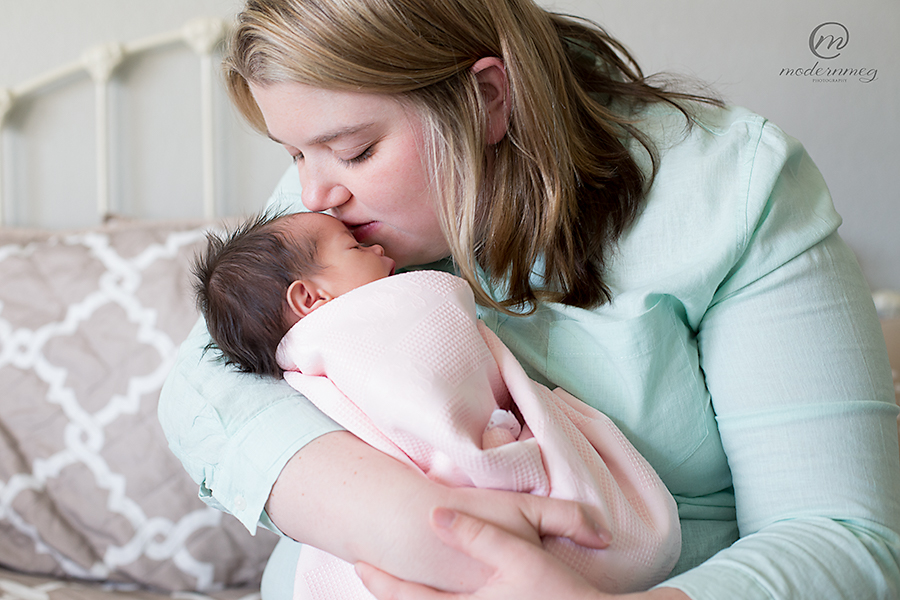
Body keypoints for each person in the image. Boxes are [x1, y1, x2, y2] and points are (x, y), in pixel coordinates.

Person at [157, 0, 900, 598]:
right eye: (295, 154)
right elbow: (208, 383)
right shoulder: (334, 202)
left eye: (355, 150)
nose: (315, 190)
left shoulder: (731, 188)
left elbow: (842, 534)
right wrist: (414, 528)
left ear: (485, 98)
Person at [191, 209, 681, 597]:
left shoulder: (307, 356)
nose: (377, 246)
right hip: (468, 511)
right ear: (309, 298)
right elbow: (431, 400)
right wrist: (496, 447)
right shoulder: (373, 328)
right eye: (356, 246)